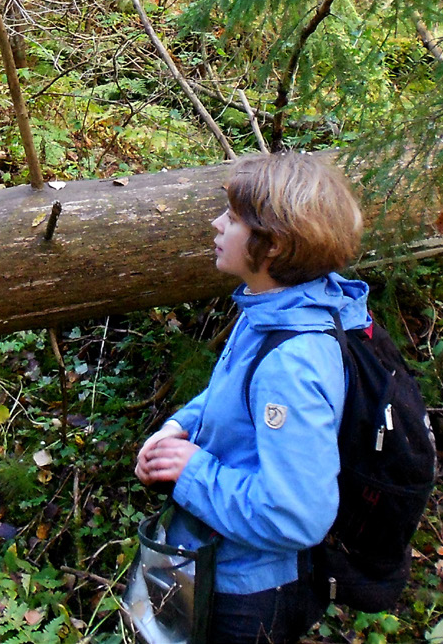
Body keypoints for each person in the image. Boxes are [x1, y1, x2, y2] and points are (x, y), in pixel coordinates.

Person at [134, 151, 369, 644]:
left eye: (234, 218)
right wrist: (178, 428)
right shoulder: (273, 308)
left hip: (246, 598)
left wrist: (191, 470)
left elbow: (296, 516)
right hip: (212, 565)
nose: (216, 225)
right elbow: (232, 394)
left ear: (275, 245)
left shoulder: (293, 360)